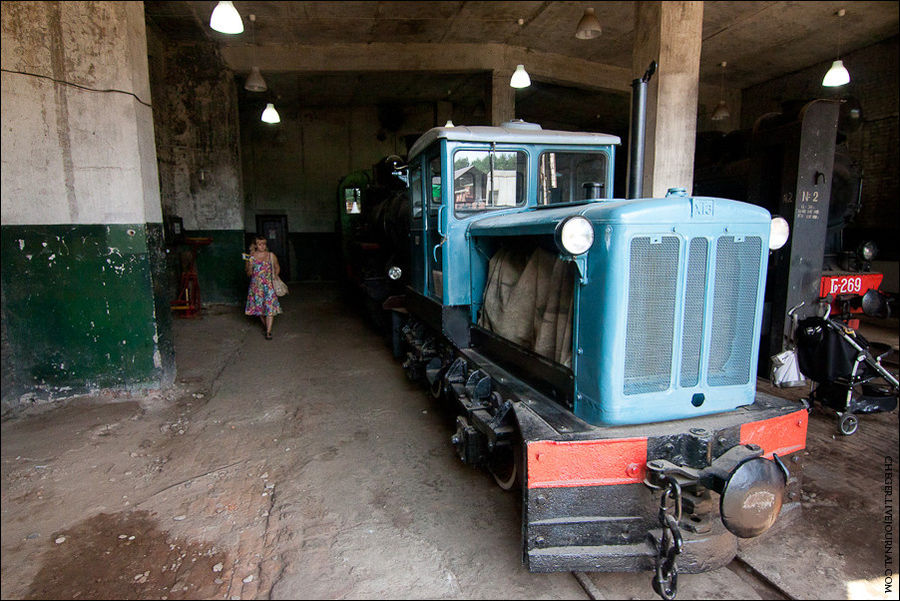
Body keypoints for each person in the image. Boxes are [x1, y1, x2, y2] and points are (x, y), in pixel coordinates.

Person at [244, 235, 282, 339]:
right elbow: (248, 273)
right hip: (256, 287)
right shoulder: (251, 256)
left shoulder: (271, 255)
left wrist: (275, 276)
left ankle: (268, 331)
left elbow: (277, 267)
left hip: (268, 286)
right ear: (255, 245)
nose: (262, 246)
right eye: (260, 244)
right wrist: (249, 265)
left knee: (270, 308)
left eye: (264, 244)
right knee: (259, 309)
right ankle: (267, 327)